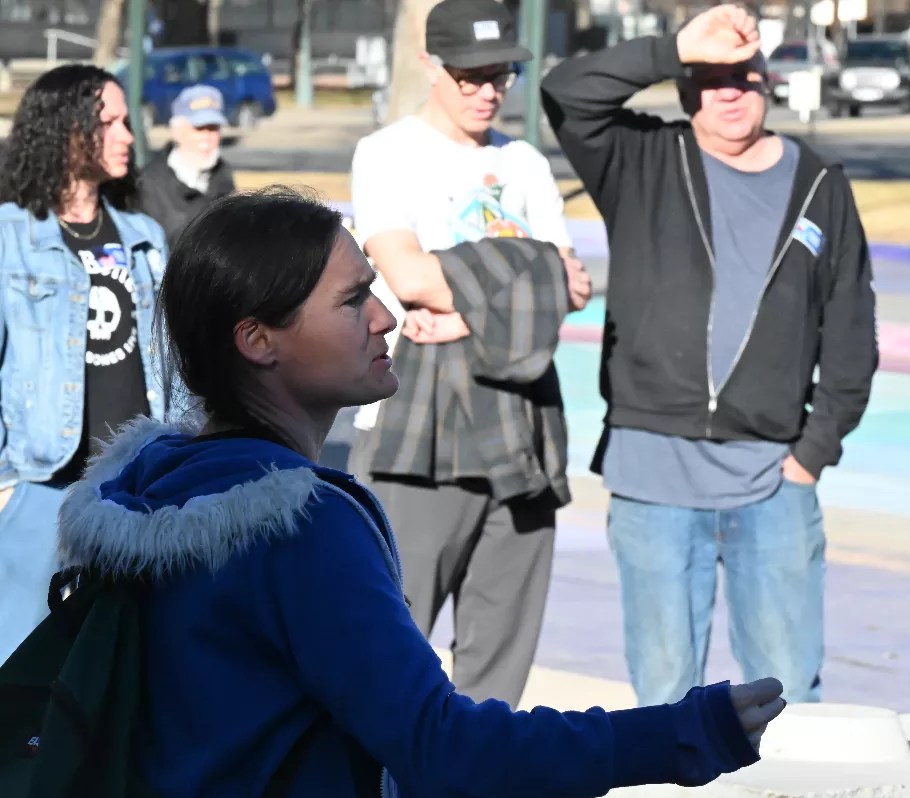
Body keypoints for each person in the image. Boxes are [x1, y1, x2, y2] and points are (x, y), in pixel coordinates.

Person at [55, 187, 785, 796]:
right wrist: (680, 733)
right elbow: (443, 748)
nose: (386, 316)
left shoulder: (149, 489)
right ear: (258, 340)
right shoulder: (297, 526)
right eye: (353, 301)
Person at [542, 5, 878, 707]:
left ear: (769, 82)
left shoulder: (821, 185)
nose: (727, 92)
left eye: (743, 77)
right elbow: (567, 90)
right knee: (666, 702)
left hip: (773, 482)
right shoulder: (639, 159)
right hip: (653, 480)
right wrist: (675, 47)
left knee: (788, 700)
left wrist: (813, 452)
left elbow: (850, 329)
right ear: (686, 88)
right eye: (708, 77)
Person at [347, 0, 590, 707]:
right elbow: (406, 275)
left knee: (499, 672)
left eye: (503, 74)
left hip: (522, 423)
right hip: (418, 428)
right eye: (470, 75)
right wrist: (519, 281)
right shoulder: (387, 153)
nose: (488, 89)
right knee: (389, 648)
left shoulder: (525, 163)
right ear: (430, 66)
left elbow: (573, 282)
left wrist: (462, 311)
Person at [0, 64, 169, 664]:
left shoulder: (145, 237)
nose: (127, 135)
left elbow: (171, 362)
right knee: (21, 677)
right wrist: (5, 488)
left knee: (123, 677)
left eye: (127, 121)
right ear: (67, 130)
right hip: (39, 488)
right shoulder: (9, 236)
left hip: (136, 492)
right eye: (109, 122)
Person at [140, 84, 236, 248]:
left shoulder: (224, 176)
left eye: (213, 129)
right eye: (199, 128)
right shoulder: (148, 184)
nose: (207, 137)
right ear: (176, 132)